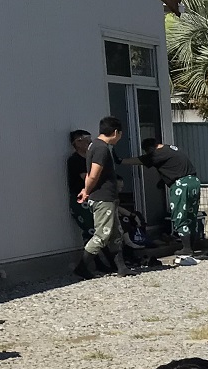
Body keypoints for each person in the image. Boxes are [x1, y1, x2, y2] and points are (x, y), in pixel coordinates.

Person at [130, 137, 200, 266]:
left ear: (150, 148)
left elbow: (141, 160)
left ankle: (187, 248)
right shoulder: (172, 149)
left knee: (179, 215)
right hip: (193, 182)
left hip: (181, 185)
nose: (147, 153)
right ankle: (192, 246)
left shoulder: (157, 153)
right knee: (191, 216)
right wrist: (162, 181)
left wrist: (120, 161)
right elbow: (174, 167)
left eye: (147, 151)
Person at [76, 115, 131, 278]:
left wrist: (86, 189)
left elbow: (90, 175)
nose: (119, 138)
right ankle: (82, 267)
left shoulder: (94, 145)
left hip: (107, 197)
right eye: (120, 135)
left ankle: (121, 267)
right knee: (102, 234)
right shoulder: (101, 148)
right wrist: (86, 191)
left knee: (114, 233)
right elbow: (93, 175)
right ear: (115, 132)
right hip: (103, 198)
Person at [66, 130, 95, 247]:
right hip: (81, 199)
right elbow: (87, 178)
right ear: (77, 142)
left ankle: (101, 262)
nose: (90, 141)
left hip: (95, 197)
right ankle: (96, 262)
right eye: (86, 138)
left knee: (100, 230)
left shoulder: (91, 158)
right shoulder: (75, 160)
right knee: (92, 230)